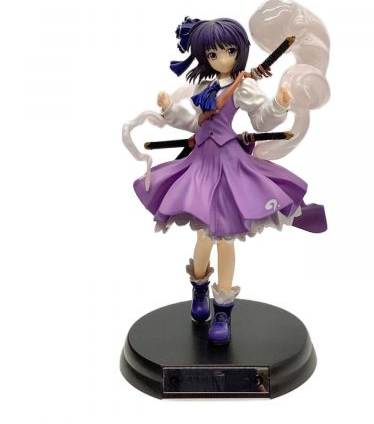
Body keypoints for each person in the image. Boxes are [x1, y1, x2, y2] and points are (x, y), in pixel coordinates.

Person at [132, 17, 327, 345]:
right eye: (213, 54)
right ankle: (199, 288)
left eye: (229, 51)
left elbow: (261, 119)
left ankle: (223, 309)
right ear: (203, 56)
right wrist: (169, 110)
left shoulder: (243, 85)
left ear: (239, 51)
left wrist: (279, 104)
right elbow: (193, 122)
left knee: (225, 239)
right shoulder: (204, 87)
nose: (222, 59)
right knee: (203, 237)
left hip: (229, 163)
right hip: (201, 163)